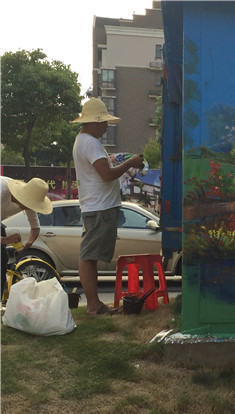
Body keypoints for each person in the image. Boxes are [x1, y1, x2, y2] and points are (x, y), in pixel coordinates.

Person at [72, 98, 144, 315]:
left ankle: (95, 305)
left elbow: (103, 173)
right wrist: (130, 162)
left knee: (90, 255)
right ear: (94, 122)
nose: (105, 127)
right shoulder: (90, 143)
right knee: (89, 255)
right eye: (103, 122)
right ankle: (94, 305)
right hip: (99, 206)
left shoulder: (84, 141)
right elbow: (106, 175)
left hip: (97, 205)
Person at [1, 177, 53, 295]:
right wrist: (5, 240)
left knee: (2, 262)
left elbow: (35, 228)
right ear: (23, 197)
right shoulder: (2, 192)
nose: (30, 207)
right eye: (30, 204)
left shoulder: (29, 201)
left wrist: (26, 245)